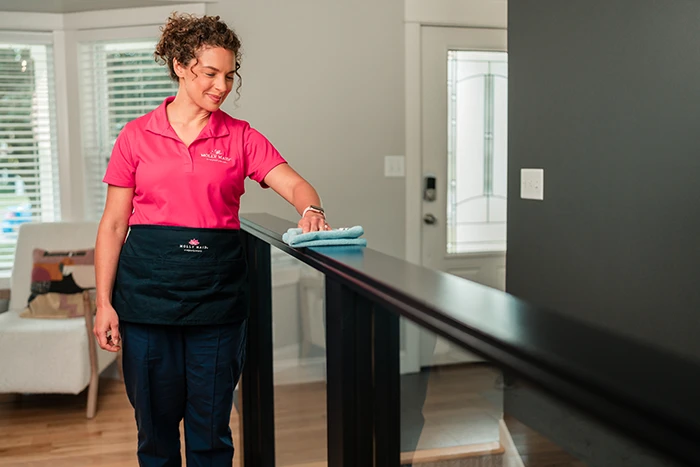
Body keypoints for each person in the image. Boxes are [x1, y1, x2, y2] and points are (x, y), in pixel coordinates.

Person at [93, 12, 328, 467]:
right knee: (155, 434)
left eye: (229, 75)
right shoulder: (136, 136)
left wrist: (311, 208)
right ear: (180, 66)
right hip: (145, 302)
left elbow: (297, 185)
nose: (221, 86)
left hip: (217, 304)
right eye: (210, 73)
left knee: (210, 431)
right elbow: (113, 225)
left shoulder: (241, 137)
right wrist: (105, 302)